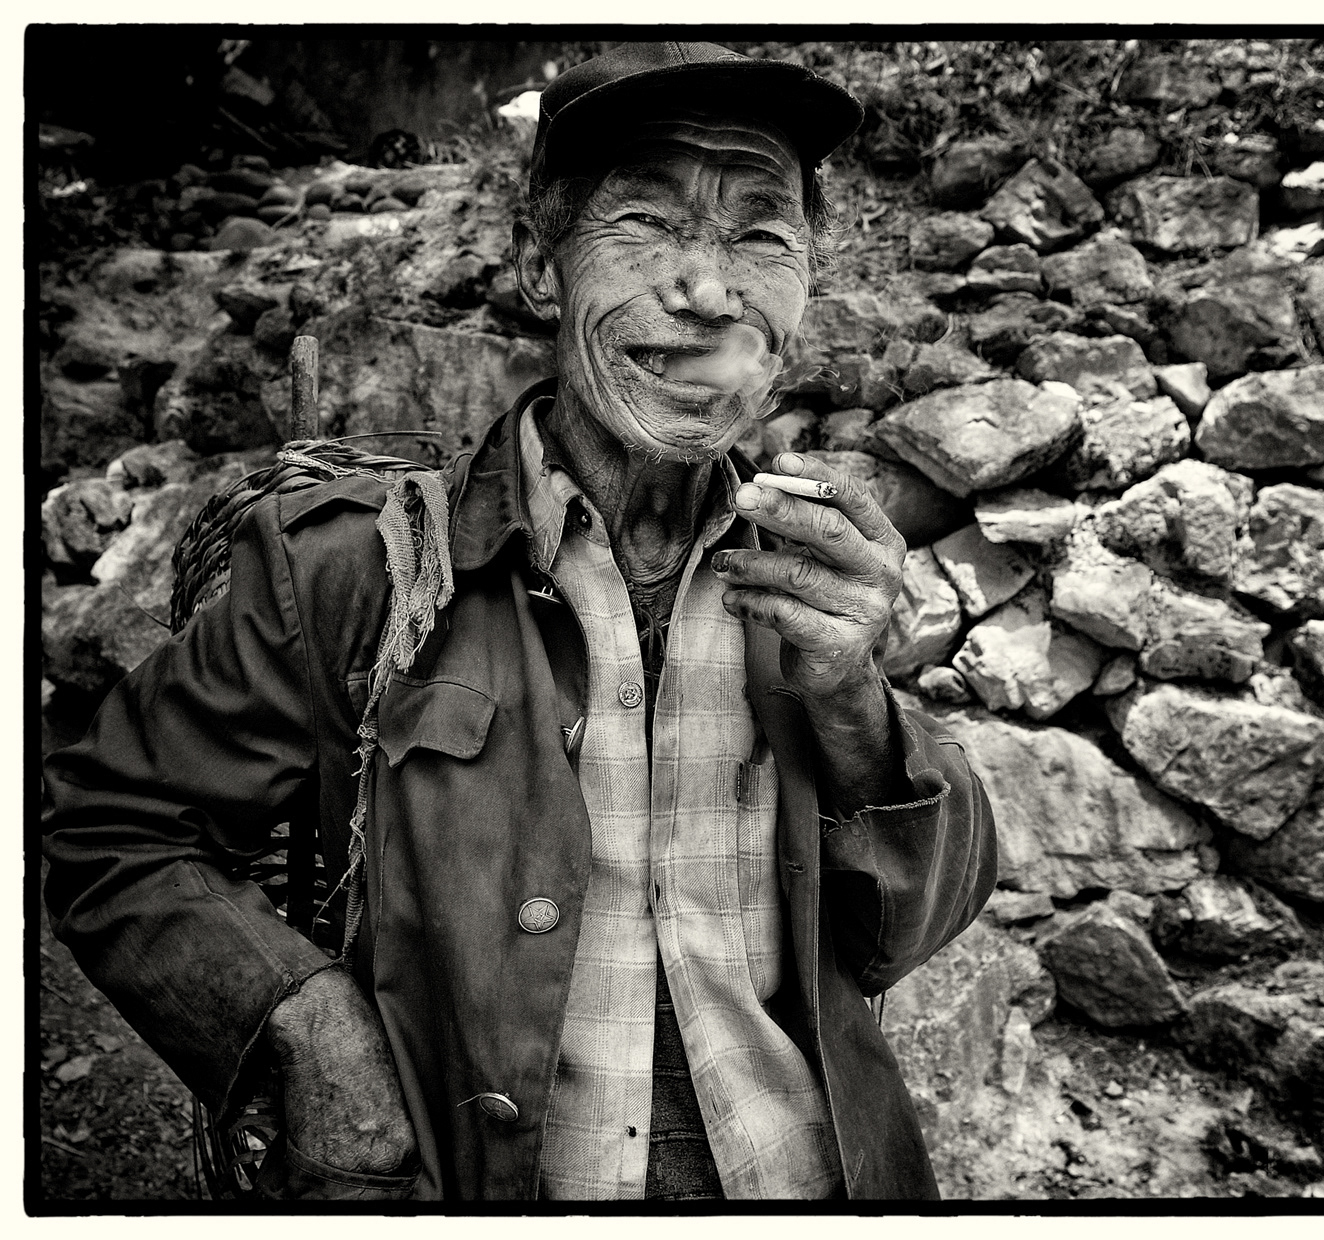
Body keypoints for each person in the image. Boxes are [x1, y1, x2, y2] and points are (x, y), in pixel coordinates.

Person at [42, 41, 997, 1202]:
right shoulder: (363, 566)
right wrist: (304, 1017)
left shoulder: (811, 569)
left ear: (803, 288)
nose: (708, 290)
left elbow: (905, 933)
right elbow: (109, 825)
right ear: (541, 271)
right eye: (644, 224)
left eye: (759, 234)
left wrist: (855, 699)